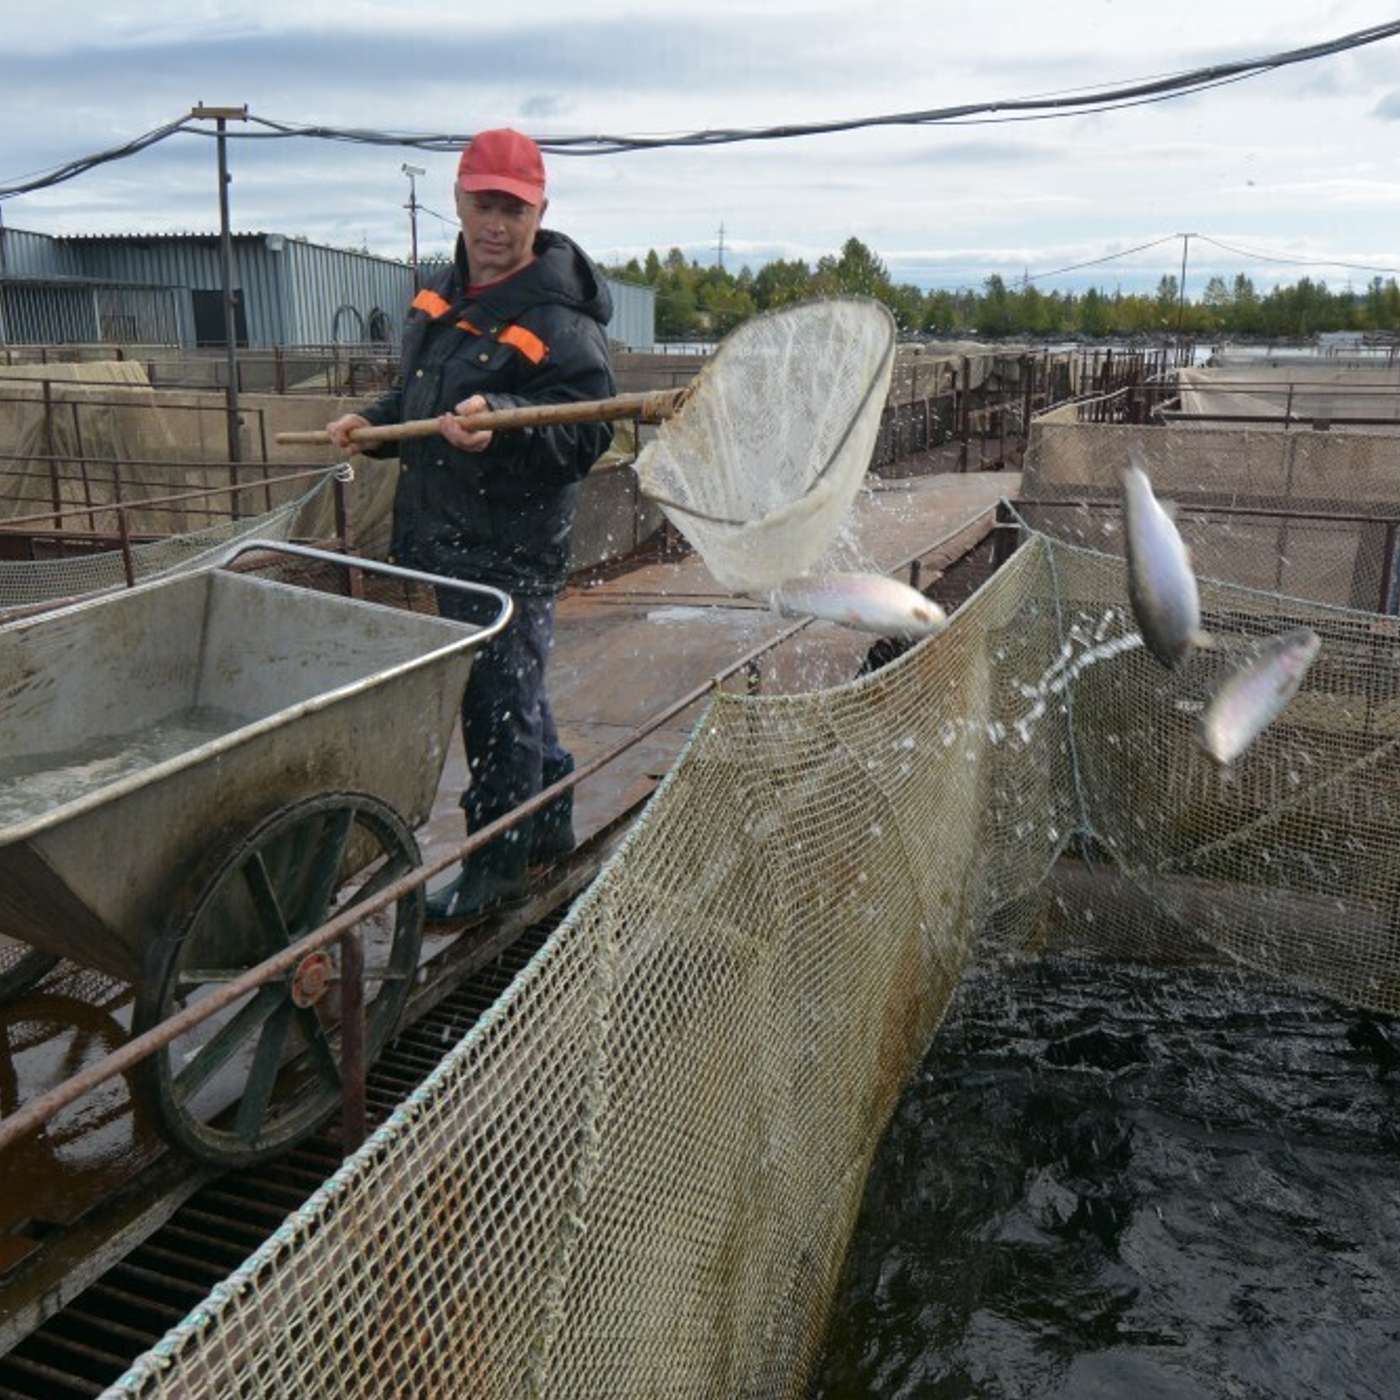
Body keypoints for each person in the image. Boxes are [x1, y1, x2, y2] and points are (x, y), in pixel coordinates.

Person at [327, 128, 615, 920]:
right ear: (457, 201)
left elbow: (588, 430)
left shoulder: (561, 319)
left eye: (513, 209)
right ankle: (548, 812)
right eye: (484, 204)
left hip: (510, 544)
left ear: (540, 211)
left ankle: (497, 864)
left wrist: (507, 419)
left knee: (494, 703)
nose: (496, 224)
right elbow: (422, 394)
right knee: (511, 688)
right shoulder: (437, 293)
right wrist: (375, 421)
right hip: (441, 532)